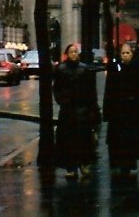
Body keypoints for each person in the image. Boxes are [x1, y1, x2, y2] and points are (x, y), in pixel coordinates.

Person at [103, 41, 139, 174]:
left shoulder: (137, 69)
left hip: (135, 109)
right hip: (120, 110)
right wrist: (108, 111)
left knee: (133, 137)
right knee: (122, 138)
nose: (125, 55)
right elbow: (109, 91)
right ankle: (125, 163)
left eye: (128, 53)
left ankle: (131, 162)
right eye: (123, 53)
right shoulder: (115, 69)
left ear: (132, 54)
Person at [52, 43, 100, 179]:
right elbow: (56, 88)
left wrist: (91, 107)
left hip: (82, 109)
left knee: (82, 139)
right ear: (67, 54)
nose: (74, 54)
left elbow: (91, 90)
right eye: (71, 52)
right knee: (68, 140)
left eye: (75, 52)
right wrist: (61, 100)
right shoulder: (61, 69)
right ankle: (71, 167)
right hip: (68, 110)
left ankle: (83, 164)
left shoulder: (84, 69)